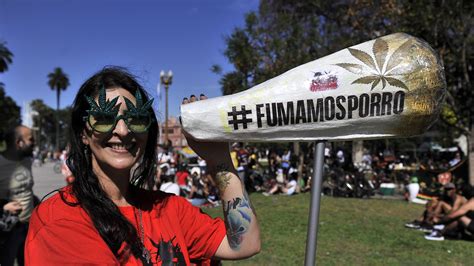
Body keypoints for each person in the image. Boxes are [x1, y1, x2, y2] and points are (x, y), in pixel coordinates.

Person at [26, 67, 260, 264]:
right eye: (105, 119)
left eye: (136, 118)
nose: (123, 131)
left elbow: (243, 244)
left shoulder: (169, 209)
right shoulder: (59, 219)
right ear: (83, 134)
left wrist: (219, 158)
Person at [0, 125, 36, 266]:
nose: (34, 143)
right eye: (31, 139)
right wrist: (3, 206)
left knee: (27, 261)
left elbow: (26, 189)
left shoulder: (26, 160)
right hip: (8, 230)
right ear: (18, 143)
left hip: (29, 226)